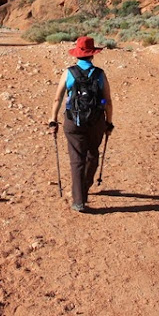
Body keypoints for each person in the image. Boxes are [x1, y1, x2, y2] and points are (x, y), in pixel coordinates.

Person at [48, 36, 114, 212]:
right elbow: (107, 101)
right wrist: (109, 123)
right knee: (92, 155)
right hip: (96, 121)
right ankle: (85, 186)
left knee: (77, 159)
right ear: (92, 54)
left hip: (73, 121)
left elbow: (57, 98)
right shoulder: (100, 74)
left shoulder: (68, 73)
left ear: (77, 54)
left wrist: (53, 119)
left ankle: (79, 200)